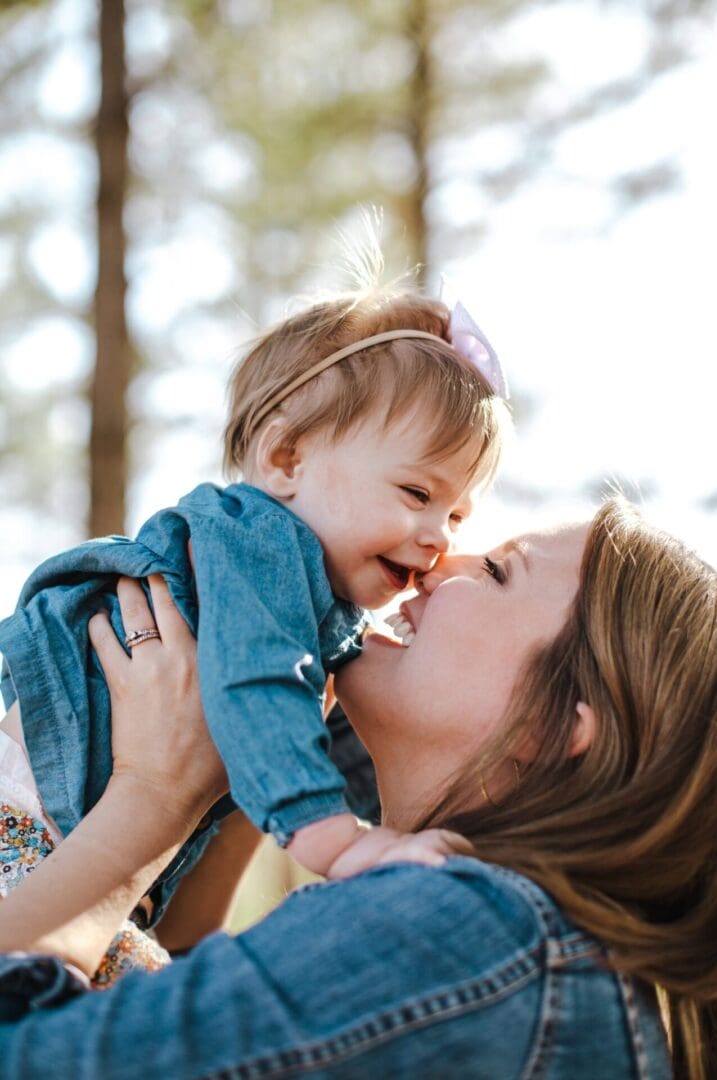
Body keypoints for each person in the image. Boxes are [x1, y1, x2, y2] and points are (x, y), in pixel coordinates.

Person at [1, 496, 717, 1078]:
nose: (439, 561)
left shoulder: (469, 936)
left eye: (500, 571)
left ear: (560, 722)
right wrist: (258, 746)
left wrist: (152, 797)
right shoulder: (533, 959)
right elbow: (181, 1024)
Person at [0, 281, 509, 942]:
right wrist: (337, 842)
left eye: (458, 514)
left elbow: (350, 753)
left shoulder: (327, 621)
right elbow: (261, 677)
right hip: (23, 822)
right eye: (417, 492)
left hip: (81, 861)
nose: (441, 535)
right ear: (285, 458)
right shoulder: (253, 540)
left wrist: (417, 834)